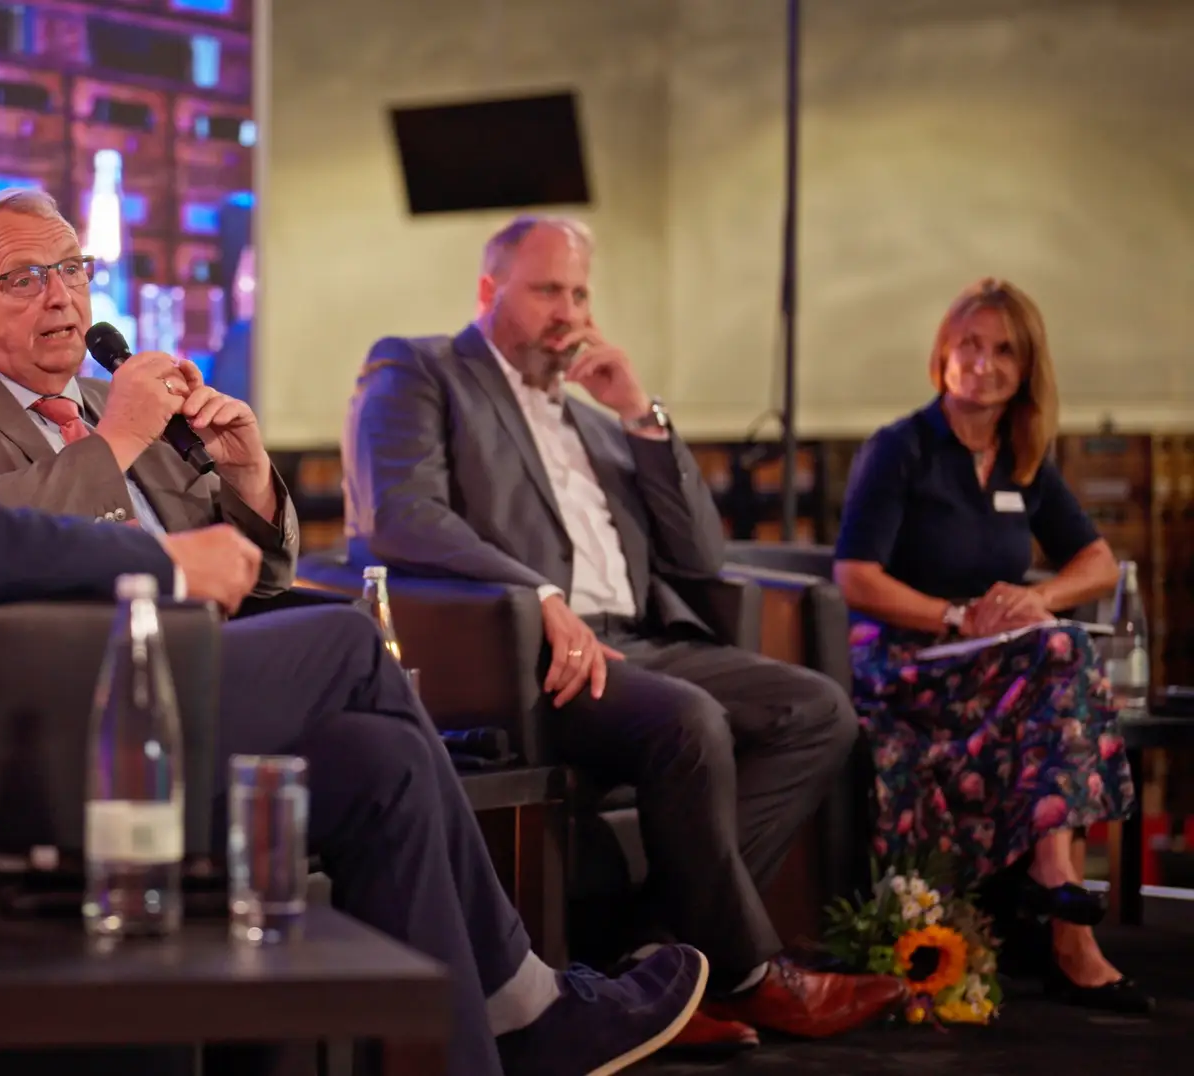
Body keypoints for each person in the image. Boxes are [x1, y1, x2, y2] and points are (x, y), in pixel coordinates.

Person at [0, 49, 708, 1076]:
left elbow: (243, 567)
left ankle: (478, 1047)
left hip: (62, 693)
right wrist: (161, 549)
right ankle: (532, 1001)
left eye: (72, 271)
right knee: (342, 640)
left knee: (380, 760)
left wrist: (251, 481)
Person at [343, 214, 910, 1051]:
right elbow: (400, 515)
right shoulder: (422, 368)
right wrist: (533, 592)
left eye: (578, 293)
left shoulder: (602, 423)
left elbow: (699, 556)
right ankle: (752, 976)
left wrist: (641, 415)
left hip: (642, 637)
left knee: (819, 710)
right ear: (489, 291)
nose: (567, 312)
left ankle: (657, 961)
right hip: (528, 652)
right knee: (687, 720)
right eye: (546, 291)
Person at [833, 278, 1149, 1014]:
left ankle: (1056, 899)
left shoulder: (1021, 458)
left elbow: (1098, 562)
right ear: (943, 353)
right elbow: (854, 576)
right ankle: (1063, 908)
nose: (984, 362)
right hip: (906, 662)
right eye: (969, 344)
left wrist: (1037, 597)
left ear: (1027, 366)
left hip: (991, 666)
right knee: (1062, 655)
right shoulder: (902, 448)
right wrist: (955, 617)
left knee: (1058, 646)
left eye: (1004, 349)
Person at [0, 188, 296, 598]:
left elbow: (264, 577)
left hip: (204, 640)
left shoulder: (121, 401)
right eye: (24, 279)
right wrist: (117, 441)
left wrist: (248, 473)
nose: (60, 297)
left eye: (72, 270)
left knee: (344, 627)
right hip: (73, 660)